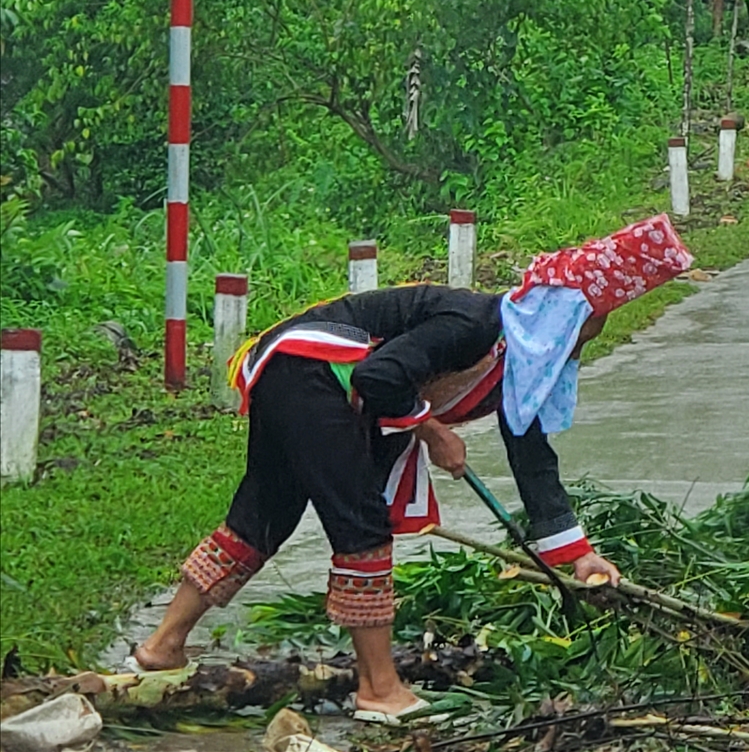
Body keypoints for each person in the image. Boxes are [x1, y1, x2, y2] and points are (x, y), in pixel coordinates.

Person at [131, 215, 693, 724]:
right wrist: (433, 430)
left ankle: (162, 647)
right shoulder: (474, 324)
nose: (592, 341)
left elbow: (535, 467)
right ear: (564, 318)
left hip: (298, 375)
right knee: (361, 529)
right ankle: (380, 689)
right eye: (593, 327)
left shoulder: (520, 370)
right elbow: (380, 378)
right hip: (312, 370)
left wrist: (578, 558)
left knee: (263, 518)